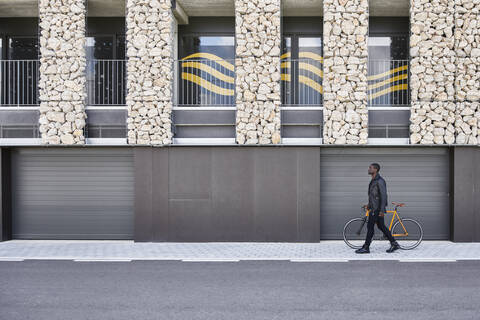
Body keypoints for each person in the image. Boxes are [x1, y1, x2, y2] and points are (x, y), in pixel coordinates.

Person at [355, 163, 400, 254]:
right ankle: (394, 243)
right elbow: (374, 196)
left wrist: (382, 210)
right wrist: (368, 205)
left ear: (375, 170)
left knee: (370, 227)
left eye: (370, 168)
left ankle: (366, 247)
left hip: (377, 209)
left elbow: (384, 196)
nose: (368, 169)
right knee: (381, 226)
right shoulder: (373, 180)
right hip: (374, 208)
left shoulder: (380, 181)